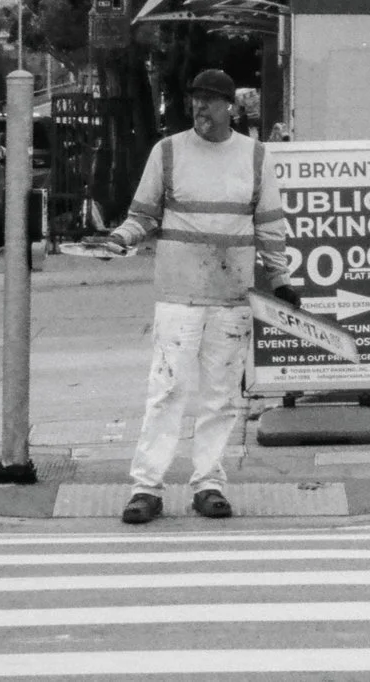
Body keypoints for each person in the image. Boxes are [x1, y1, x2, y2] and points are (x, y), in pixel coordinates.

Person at [85, 68, 296, 524]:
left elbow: (269, 226)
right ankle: (146, 488)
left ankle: (208, 485)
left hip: (231, 297)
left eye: (210, 100)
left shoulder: (255, 157)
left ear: (230, 107)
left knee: (221, 396)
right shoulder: (168, 152)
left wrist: (279, 279)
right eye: (195, 99)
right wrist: (119, 239)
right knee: (167, 391)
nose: (200, 107)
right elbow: (143, 215)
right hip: (178, 296)